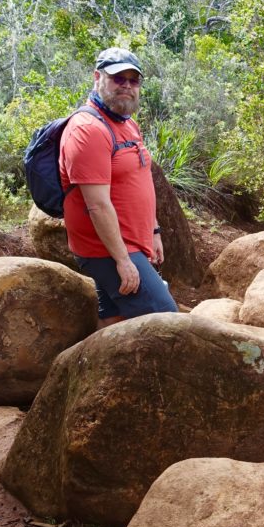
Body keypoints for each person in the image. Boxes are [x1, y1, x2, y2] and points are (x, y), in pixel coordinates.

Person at [59, 47, 178, 326]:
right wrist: (123, 261)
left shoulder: (126, 123)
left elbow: (139, 179)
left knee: (115, 320)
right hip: (107, 250)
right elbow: (97, 205)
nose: (126, 86)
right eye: (118, 78)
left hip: (129, 242)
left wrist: (153, 230)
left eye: (133, 80)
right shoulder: (88, 129)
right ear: (97, 77)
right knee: (167, 320)